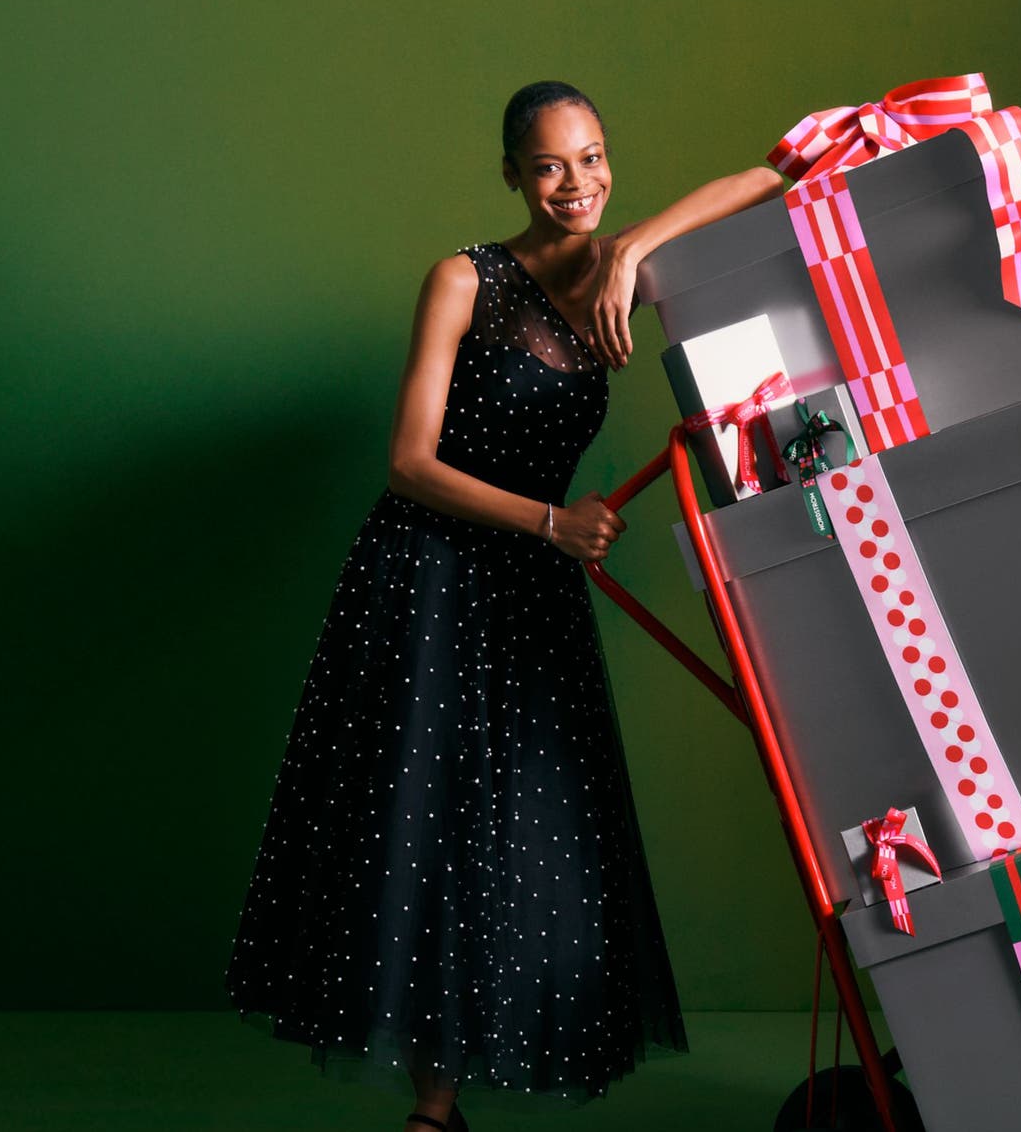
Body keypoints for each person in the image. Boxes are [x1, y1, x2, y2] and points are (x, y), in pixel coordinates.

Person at [224, 80, 784, 1131]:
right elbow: (406, 462)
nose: (577, 184)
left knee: (525, 836)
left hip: (530, 594)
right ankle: (432, 1112)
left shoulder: (631, 270)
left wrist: (633, 246)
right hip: (427, 575)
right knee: (423, 831)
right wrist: (549, 523)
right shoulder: (463, 278)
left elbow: (772, 179)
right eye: (549, 165)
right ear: (512, 175)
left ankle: (453, 1093)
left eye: (594, 158)